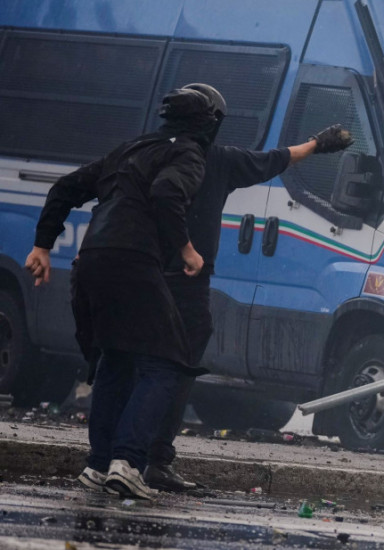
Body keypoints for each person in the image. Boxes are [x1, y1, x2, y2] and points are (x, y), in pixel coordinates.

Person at [139, 83, 355, 492]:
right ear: (214, 123)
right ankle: (152, 460)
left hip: (136, 275)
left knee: (132, 365)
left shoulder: (142, 154)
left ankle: (116, 457)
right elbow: (276, 159)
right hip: (184, 283)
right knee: (176, 367)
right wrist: (318, 143)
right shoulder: (216, 161)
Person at [24, 86, 223, 499]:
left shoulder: (129, 148)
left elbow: (65, 187)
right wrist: (187, 250)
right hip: (134, 260)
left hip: (92, 259)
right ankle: (129, 462)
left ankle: (98, 465)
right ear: (208, 125)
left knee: (116, 358)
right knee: (168, 363)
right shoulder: (187, 153)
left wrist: (42, 245)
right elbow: (167, 192)